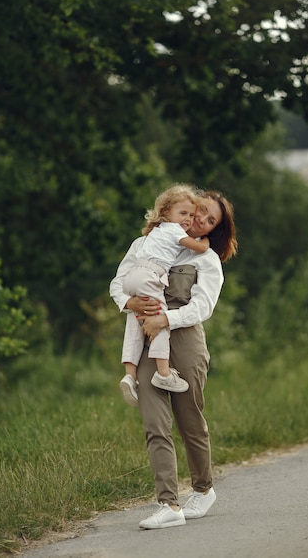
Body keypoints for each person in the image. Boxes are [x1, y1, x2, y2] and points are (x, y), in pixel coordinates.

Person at [109, 189, 237, 529]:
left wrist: (165, 319)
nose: (201, 221)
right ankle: (168, 504)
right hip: (150, 343)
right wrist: (129, 303)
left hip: (186, 343)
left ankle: (203, 488)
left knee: (189, 421)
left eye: (210, 221)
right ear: (188, 208)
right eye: (201, 212)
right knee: (155, 424)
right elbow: (118, 283)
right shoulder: (145, 244)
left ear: (212, 230)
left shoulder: (205, 259)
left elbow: (203, 307)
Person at [117, 184, 210, 405]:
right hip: (150, 275)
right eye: (182, 213)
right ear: (166, 213)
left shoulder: (153, 233)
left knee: (134, 321)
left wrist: (129, 302)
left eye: (190, 215)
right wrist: (206, 242)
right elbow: (197, 248)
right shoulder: (173, 230)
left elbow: (118, 283)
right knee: (160, 319)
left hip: (133, 277)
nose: (187, 219)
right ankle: (164, 373)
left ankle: (130, 375)